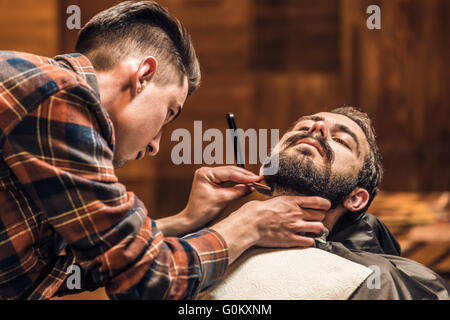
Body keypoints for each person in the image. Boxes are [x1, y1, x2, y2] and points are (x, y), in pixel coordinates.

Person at [0, 1, 330, 299]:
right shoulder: (57, 93)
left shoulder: (42, 90)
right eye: (170, 112)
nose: (157, 144)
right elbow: (148, 281)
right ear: (143, 75)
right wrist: (248, 225)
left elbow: (75, 264)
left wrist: (186, 220)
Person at [202, 107, 450, 300]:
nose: (316, 128)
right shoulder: (191, 241)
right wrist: (186, 222)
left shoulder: (385, 282)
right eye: (304, 126)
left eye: (342, 141)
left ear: (355, 198)